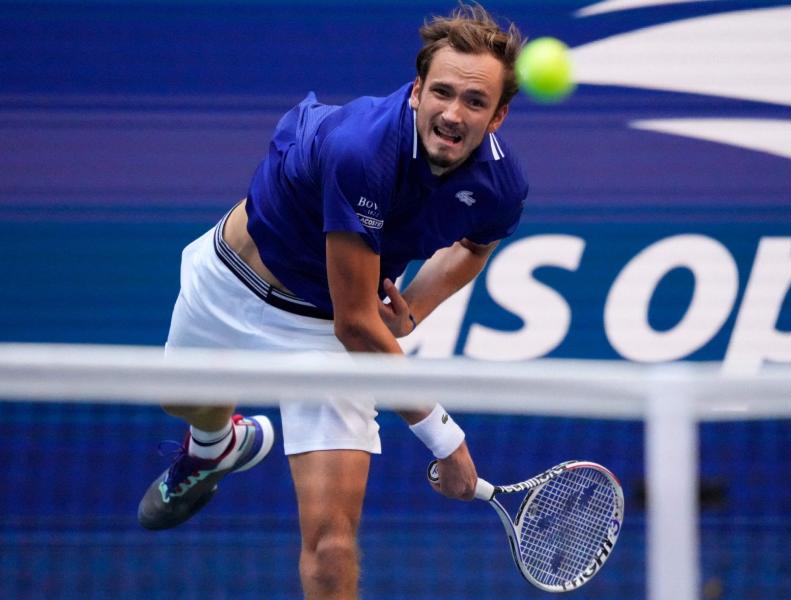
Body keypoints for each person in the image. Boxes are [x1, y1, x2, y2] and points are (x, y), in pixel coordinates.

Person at [137, 3, 527, 599]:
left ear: (497, 116)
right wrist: (447, 442)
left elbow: (473, 248)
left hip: (323, 334)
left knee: (332, 546)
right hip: (233, 281)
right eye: (441, 93)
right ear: (417, 90)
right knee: (182, 400)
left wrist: (415, 304)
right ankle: (217, 446)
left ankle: (215, 445)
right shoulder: (360, 150)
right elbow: (358, 327)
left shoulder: (501, 187)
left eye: (474, 103)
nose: (453, 114)